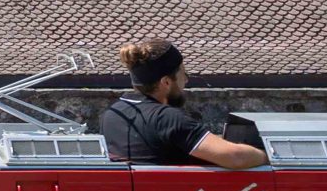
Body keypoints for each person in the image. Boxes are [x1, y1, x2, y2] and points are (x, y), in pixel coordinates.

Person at [99, 39, 267, 170]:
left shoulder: (113, 113)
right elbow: (236, 157)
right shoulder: (167, 119)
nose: (186, 80)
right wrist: (268, 154)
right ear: (166, 82)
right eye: (182, 74)